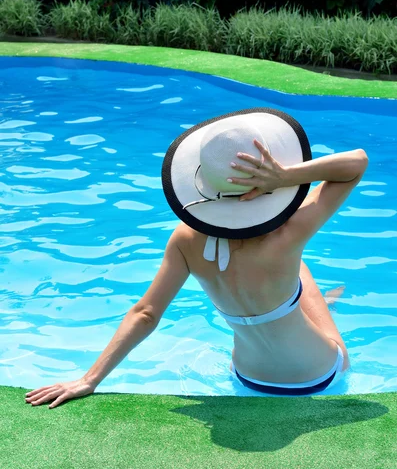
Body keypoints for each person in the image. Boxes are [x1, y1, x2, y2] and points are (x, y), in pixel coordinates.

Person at [25, 108, 368, 408]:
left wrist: (90, 380)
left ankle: (313, 304)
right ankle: (321, 305)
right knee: (301, 273)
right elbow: (356, 163)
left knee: (290, 283)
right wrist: (286, 176)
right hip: (319, 377)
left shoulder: (186, 239)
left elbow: (145, 314)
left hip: (248, 378)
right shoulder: (288, 234)